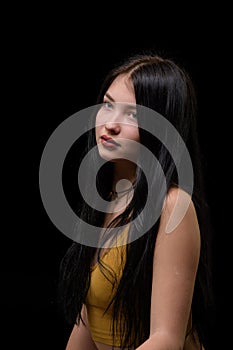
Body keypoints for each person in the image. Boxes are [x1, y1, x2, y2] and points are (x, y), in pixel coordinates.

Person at [59, 52, 214, 349]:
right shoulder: (105, 202)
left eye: (132, 114)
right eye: (107, 105)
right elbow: (88, 323)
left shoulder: (172, 207)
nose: (110, 124)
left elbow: (165, 339)